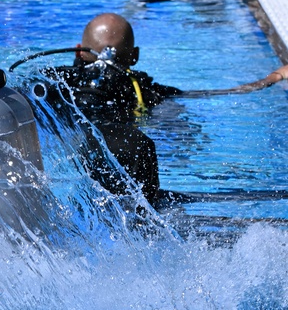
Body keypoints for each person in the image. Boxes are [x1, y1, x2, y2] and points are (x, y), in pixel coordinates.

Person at [48, 12, 288, 205]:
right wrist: (274, 77)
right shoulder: (142, 90)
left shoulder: (53, 81)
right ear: (134, 56)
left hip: (61, 152)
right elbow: (217, 94)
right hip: (123, 149)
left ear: (79, 50)